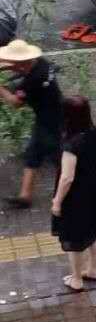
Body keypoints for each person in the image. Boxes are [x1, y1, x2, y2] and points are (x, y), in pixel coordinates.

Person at [0, 40, 63, 209]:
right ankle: (25, 196)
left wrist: (1, 88)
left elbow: (15, 103)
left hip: (50, 121)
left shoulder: (32, 81)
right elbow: (19, 66)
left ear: (22, 62)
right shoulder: (41, 63)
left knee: (58, 157)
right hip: (54, 115)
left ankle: (74, 190)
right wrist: (5, 66)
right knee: (34, 153)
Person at [51, 95, 96, 293]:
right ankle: (95, 269)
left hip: (75, 196)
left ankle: (76, 279)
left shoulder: (71, 145)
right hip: (92, 187)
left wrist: (57, 202)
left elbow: (67, 178)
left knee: (74, 237)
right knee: (92, 229)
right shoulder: (95, 132)